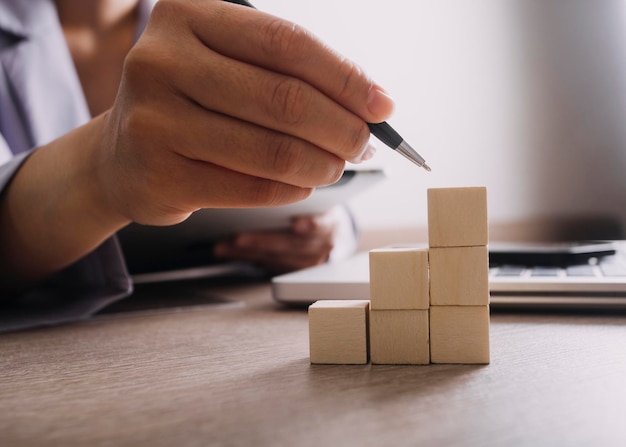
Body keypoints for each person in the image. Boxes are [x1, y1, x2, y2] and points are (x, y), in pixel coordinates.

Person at [0, 0, 395, 331]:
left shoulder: (213, 22)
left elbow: (298, 176)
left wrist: (325, 230)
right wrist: (101, 168)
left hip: (210, 319)